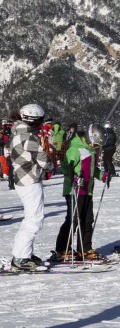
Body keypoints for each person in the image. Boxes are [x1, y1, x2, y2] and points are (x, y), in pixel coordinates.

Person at [9, 104, 54, 271]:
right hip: (29, 180)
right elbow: (44, 160)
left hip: (21, 179)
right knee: (33, 220)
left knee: (31, 218)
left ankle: (24, 253)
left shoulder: (16, 133)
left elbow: (8, 152)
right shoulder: (29, 137)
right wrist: (50, 167)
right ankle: (21, 258)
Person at [53, 124, 102, 261]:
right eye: (95, 144)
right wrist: (71, 173)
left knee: (87, 221)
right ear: (89, 138)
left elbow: (92, 170)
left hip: (87, 190)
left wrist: (102, 175)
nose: (96, 147)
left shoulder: (90, 151)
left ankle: (84, 248)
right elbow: (65, 167)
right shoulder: (75, 149)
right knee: (73, 219)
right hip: (74, 190)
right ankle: (62, 249)